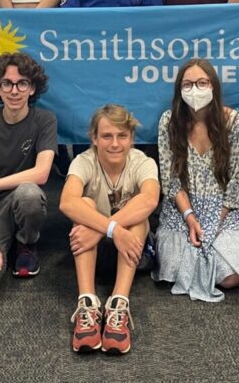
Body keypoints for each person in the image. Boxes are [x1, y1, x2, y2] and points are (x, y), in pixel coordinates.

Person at [152, 59, 239, 301]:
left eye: (201, 83)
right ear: (179, 90)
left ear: (213, 86)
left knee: (232, 277)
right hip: (183, 207)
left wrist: (214, 224)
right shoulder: (168, 122)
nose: (195, 90)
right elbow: (171, 181)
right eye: (187, 84)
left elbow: (237, 185)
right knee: (171, 269)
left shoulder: (237, 123)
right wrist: (190, 218)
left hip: (226, 208)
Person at [60, 105, 160, 354]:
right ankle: (88, 304)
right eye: (106, 136)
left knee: (139, 217)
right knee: (84, 204)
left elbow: (150, 200)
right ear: (94, 138)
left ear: (132, 139)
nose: (115, 144)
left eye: (122, 136)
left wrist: (105, 228)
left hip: (133, 253)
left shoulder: (143, 163)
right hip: (92, 250)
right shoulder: (83, 161)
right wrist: (113, 229)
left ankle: (118, 304)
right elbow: (66, 202)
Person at [0, 53, 57, 289]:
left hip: (24, 199)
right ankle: (4, 239)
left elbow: (41, 174)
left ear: (32, 88)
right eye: (7, 83)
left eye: (22, 83)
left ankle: (26, 242)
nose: (14, 91)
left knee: (29, 193)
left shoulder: (45, 120)